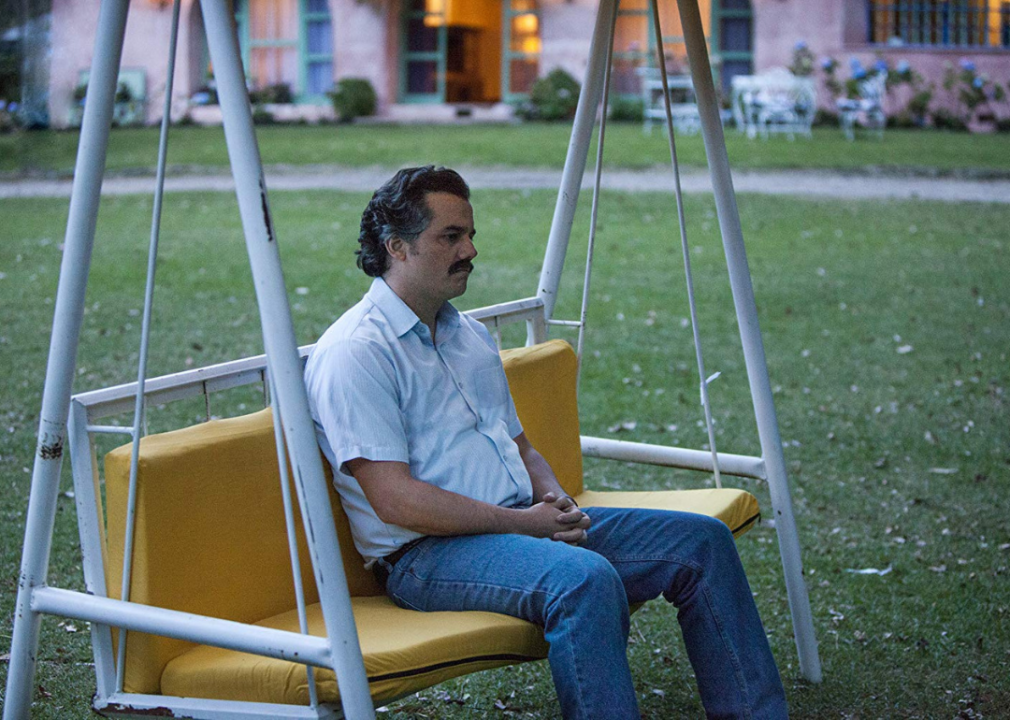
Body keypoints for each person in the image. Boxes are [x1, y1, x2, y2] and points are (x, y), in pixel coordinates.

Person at [304, 166, 788, 719]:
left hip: (521, 524)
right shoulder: (357, 351)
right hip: (424, 555)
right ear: (398, 247)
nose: (471, 250)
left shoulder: (467, 335)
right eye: (451, 236)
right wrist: (526, 524)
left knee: (701, 543)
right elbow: (396, 500)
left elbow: (521, 446)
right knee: (584, 579)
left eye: (471, 234)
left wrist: (557, 502)